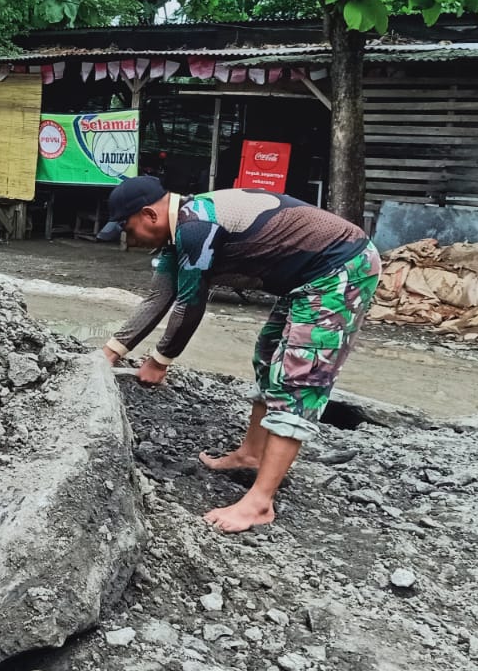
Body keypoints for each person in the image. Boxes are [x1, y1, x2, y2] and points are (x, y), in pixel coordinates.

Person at [97, 175, 381, 532]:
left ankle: (260, 503)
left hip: (341, 268)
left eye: (128, 228)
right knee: (268, 354)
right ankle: (251, 454)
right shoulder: (179, 232)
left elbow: (190, 304)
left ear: (149, 215)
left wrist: (159, 361)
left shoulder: (196, 228)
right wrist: (108, 355)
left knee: (299, 374)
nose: (130, 238)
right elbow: (159, 298)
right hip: (306, 279)